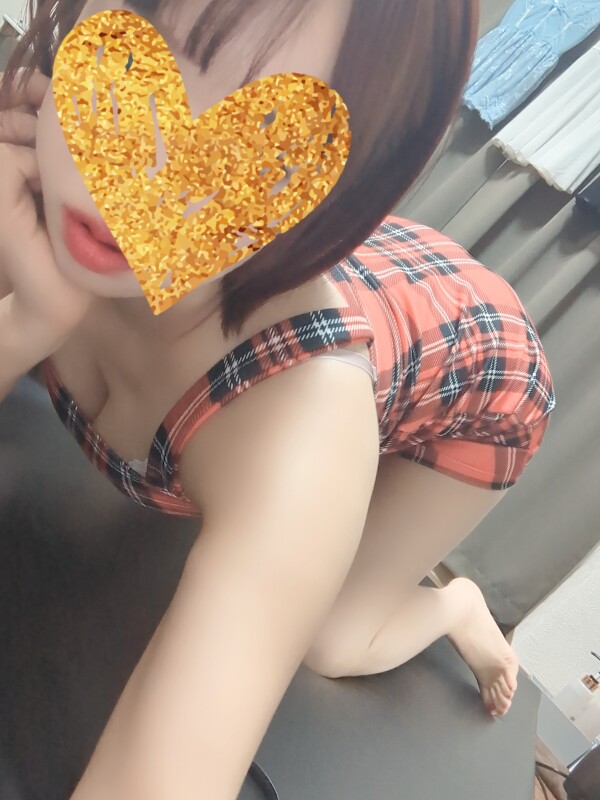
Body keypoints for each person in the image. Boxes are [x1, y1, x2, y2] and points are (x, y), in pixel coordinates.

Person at [0, 1, 556, 799]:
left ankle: (456, 609)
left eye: (261, 137)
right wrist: (24, 327)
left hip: (484, 365)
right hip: (374, 280)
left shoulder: (300, 422)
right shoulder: (27, 154)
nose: (152, 171)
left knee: (333, 639)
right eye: (143, 44)